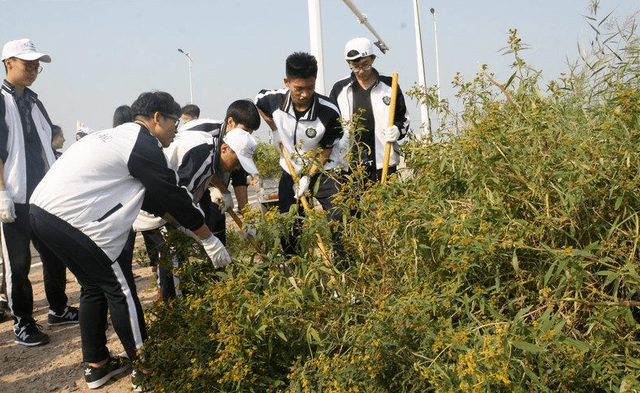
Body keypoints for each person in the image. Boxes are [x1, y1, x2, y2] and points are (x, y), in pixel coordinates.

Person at [28, 91, 232, 389]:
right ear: (156, 118)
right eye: (174, 121)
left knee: (93, 287)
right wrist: (208, 238)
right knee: (120, 289)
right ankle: (147, 370)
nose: (177, 129)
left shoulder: (115, 138)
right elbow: (171, 193)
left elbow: (151, 198)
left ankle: (97, 366)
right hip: (74, 222)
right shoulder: (142, 143)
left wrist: (185, 226)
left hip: (41, 214)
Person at [136, 101, 261, 301]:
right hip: (153, 208)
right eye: (237, 162)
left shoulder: (211, 150)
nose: (238, 168)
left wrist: (225, 194)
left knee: (180, 255)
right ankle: (176, 310)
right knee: (173, 260)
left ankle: (182, 304)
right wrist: (204, 236)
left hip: (168, 208)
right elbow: (179, 202)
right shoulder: (201, 152)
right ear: (225, 148)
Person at [0, 38, 78, 347]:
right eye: (27, 64)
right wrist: (2, 192)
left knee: (54, 254)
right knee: (18, 265)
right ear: (8, 64)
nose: (33, 70)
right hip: (13, 197)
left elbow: (47, 147)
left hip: (42, 197)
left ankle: (58, 309)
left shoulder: (33, 101)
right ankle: (23, 322)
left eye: (37, 66)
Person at [255, 52, 344, 259]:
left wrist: (308, 176)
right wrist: (274, 129)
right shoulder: (273, 100)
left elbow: (326, 148)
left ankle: (344, 268)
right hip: (290, 171)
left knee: (339, 219)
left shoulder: (329, 112)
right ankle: (294, 272)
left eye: (310, 88)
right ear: (287, 82)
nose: (305, 94)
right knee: (290, 226)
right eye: (298, 88)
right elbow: (258, 101)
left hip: (324, 172)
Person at [329, 37, 411, 183]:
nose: (361, 70)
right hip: (350, 166)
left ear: (373, 59)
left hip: (383, 162)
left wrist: (397, 130)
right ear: (348, 63)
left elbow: (403, 119)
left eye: (365, 64)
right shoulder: (339, 89)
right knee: (352, 205)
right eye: (355, 66)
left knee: (384, 204)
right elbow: (331, 124)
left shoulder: (390, 86)